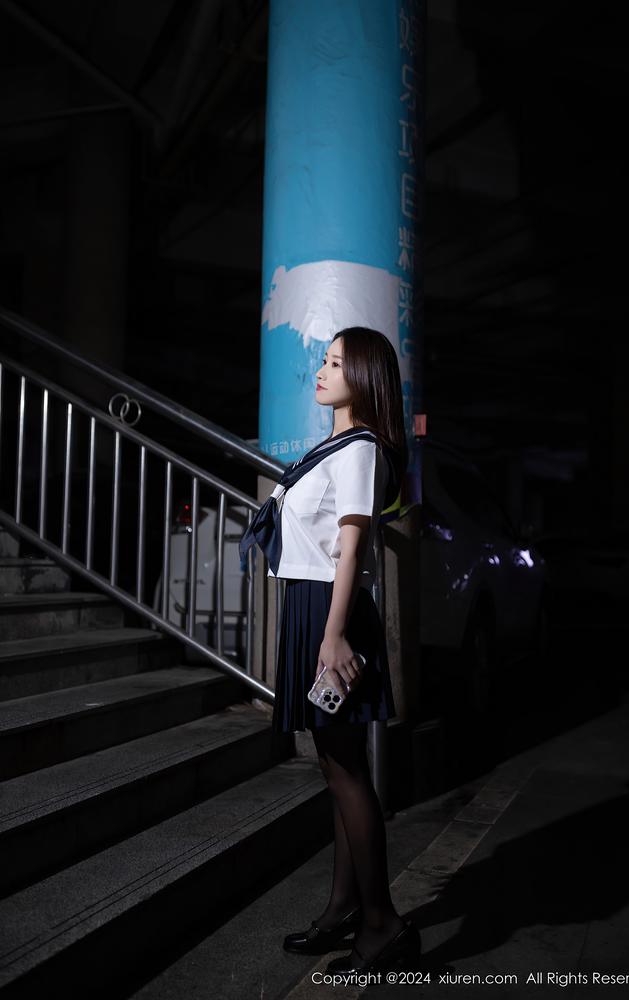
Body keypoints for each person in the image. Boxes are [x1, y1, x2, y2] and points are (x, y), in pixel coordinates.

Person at [241, 327, 421, 973]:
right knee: (336, 765)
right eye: (324, 358)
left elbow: (352, 545)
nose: (321, 369)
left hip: (329, 609)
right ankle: (345, 908)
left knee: (346, 770)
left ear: (363, 376)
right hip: (312, 606)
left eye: (336, 362)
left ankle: (382, 923)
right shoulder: (337, 446)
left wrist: (334, 632)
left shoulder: (363, 449)